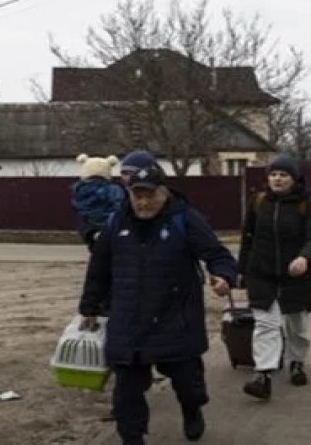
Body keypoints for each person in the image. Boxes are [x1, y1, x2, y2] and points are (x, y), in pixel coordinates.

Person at [79, 162, 238, 445]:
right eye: (136, 195)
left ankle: (192, 410)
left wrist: (223, 275)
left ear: (164, 192)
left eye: (149, 194)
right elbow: (99, 267)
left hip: (175, 318)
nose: (142, 202)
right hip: (129, 320)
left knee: (189, 385)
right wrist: (89, 307)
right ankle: (132, 438)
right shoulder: (117, 222)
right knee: (127, 392)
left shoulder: (184, 218)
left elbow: (217, 254)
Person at [236, 153, 311, 400]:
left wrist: (304, 258)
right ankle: (263, 375)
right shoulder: (258, 201)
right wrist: (240, 271)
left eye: (283, 175)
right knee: (265, 324)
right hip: (262, 272)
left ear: (294, 178)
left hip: (297, 275)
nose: (277, 179)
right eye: (274, 174)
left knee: (296, 325)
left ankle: (296, 362)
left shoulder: (308, 203)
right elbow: (247, 237)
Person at [70, 153, 126, 249]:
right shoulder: (112, 189)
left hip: (88, 224)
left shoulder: (79, 189)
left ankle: (93, 237)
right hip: (108, 222)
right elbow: (119, 202)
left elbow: (76, 205)